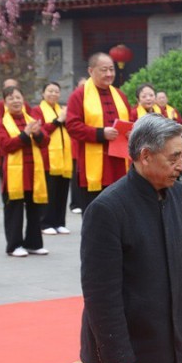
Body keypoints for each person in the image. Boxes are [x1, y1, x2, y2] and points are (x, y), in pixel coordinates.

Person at [38, 114, 182, 363]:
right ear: (145, 156)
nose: (181, 165)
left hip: (167, 338)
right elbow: (100, 291)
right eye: (174, 157)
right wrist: (114, 353)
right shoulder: (108, 209)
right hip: (125, 342)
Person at [65, 53, 131, 212]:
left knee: (120, 213)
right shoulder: (79, 95)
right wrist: (101, 133)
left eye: (111, 69)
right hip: (92, 166)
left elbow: (130, 121)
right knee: (94, 213)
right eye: (104, 70)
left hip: (119, 165)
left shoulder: (120, 95)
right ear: (90, 71)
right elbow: (72, 126)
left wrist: (131, 133)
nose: (109, 74)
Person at [0, 86, 50, 257]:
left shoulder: (31, 120)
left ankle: (33, 243)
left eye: (18, 97)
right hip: (14, 175)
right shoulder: (2, 123)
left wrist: (38, 133)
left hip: (33, 172)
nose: (16, 101)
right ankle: (14, 245)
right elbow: (5, 146)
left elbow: (45, 142)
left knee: (35, 209)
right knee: (14, 210)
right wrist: (25, 134)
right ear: (5, 103)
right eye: (11, 98)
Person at [34, 82, 72, 236]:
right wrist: (58, 121)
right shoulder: (37, 110)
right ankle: (46, 222)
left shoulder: (62, 110)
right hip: (47, 157)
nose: (53, 94)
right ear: (43, 93)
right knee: (50, 191)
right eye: (50, 91)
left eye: (56, 91)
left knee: (62, 191)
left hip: (64, 157)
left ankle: (59, 222)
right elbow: (41, 131)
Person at [69, 77, 88, 215]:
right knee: (76, 177)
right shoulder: (75, 100)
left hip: (87, 146)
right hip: (75, 145)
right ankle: (75, 202)